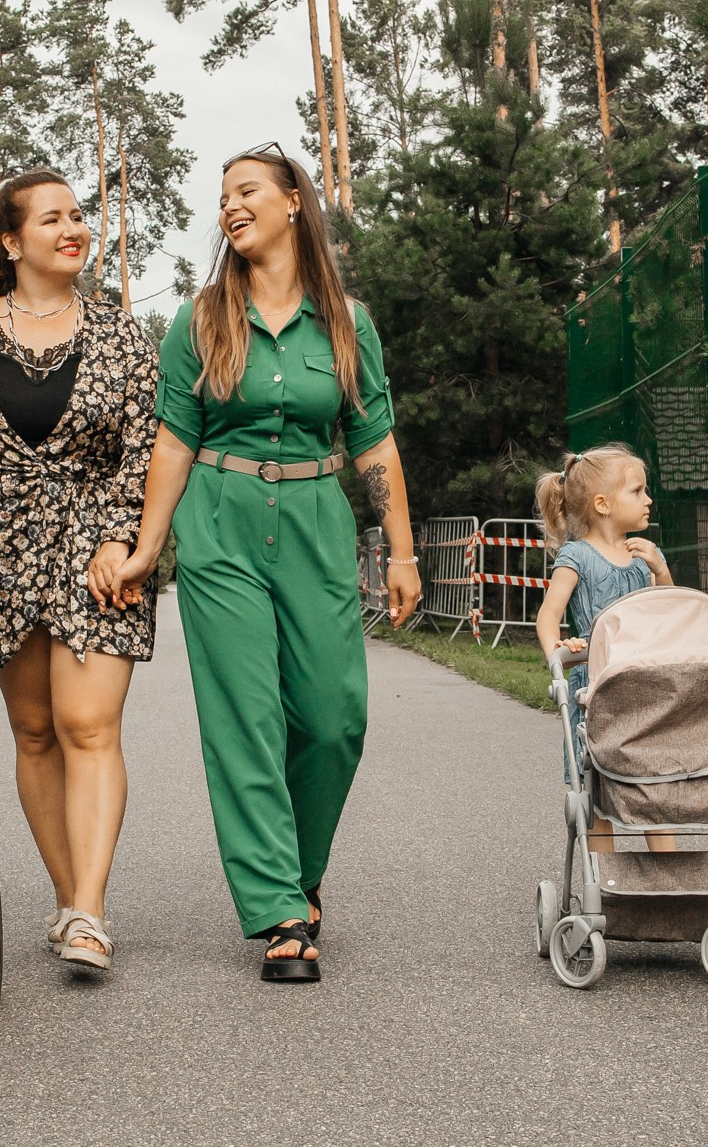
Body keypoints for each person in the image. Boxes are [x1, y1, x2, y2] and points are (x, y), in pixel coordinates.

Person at [106, 143, 422, 983]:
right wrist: (148, 547)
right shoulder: (199, 319)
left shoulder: (348, 323)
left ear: (292, 205)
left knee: (332, 717)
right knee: (245, 717)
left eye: (246, 191)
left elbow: (374, 443)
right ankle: (281, 908)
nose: (230, 207)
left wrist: (402, 550)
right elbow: (177, 436)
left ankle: (302, 870)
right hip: (222, 521)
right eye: (222, 197)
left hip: (317, 518)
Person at [0, 170, 159, 976]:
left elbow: (146, 447)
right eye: (53, 219)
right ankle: (68, 897)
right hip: (0, 548)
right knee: (36, 731)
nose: (74, 228)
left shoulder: (121, 336)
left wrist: (123, 538)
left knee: (89, 725)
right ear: (11, 242)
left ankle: (90, 910)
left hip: (96, 547)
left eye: (79, 215)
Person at [533, 443, 676, 849]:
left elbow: (670, 609)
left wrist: (661, 568)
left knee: (653, 789)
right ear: (603, 504)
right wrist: (559, 650)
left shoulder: (646, 556)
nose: (649, 500)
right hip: (592, 689)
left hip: (643, 685)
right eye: (638, 491)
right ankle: (606, 886)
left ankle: (669, 882)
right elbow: (548, 617)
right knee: (597, 795)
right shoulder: (577, 555)